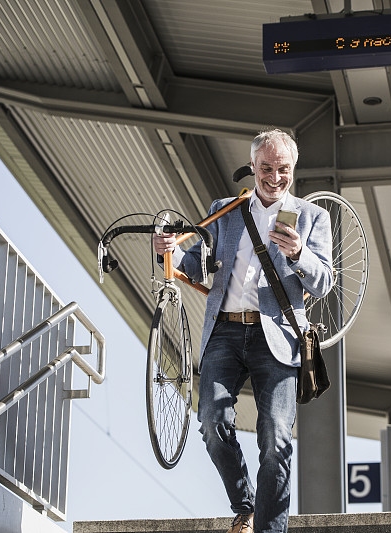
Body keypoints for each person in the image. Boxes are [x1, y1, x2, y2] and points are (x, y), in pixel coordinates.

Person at [153, 129, 334, 533]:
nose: (274, 177)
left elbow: (324, 283)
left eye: (283, 169)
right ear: (252, 167)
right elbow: (194, 265)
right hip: (226, 331)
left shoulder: (311, 217)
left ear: (293, 168)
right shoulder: (225, 210)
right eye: (266, 168)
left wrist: (298, 253)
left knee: (275, 438)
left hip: (279, 335)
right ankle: (245, 507)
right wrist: (169, 252)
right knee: (211, 420)